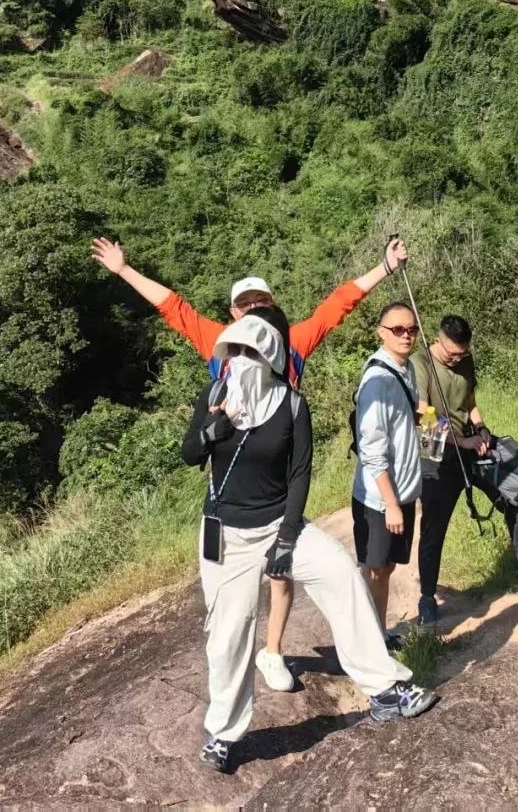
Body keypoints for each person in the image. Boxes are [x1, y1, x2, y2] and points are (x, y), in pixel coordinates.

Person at [91, 235, 407, 692]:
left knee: (282, 567)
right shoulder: (219, 343)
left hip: (278, 472)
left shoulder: (291, 344)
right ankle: (245, 667)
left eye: (261, 302)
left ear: (272, 307)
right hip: (230, 482)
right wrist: (123, 270)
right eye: (245, 304)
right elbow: (174, 308)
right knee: (233, 594)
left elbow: (338, 305)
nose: (254, 309)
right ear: (233, 312)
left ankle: (273, 651)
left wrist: (385, 266)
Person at [182, 303, 437, 775]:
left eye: (250, 351)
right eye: (234, 350)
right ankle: (223, 732)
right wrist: (210, 432)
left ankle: (385, 687)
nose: (240, 360)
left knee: (341, 573)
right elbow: (189, 454)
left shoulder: (292, 405)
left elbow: (299, 474)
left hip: (280, 524)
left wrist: (286, 537)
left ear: (271, 357)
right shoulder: (215, 394)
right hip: (226, 533)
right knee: (228, 632)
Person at [412, 314, 518, 627]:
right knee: (433, 527)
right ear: (438, 340)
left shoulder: (465, 361)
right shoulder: (420, 363)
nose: (457, 359)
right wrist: (461, 442)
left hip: (472, 444)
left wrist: (481, 429)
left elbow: (470, 402)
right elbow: (423, 416)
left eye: (462, 354)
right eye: (452, 354)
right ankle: (427, 598)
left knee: (515, 493)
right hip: (435, 451)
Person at [352, 301, 422, 644]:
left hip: (403, 491)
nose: (406, 335)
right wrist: (391, 504)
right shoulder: (377, 383)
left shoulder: (406, 368)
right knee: (376, 570)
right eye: (398, 330)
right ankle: (371, 642)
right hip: (380, 499)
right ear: (382, 332)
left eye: (411, 329)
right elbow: (371, 450)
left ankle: (377, 634)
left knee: (388, 567)